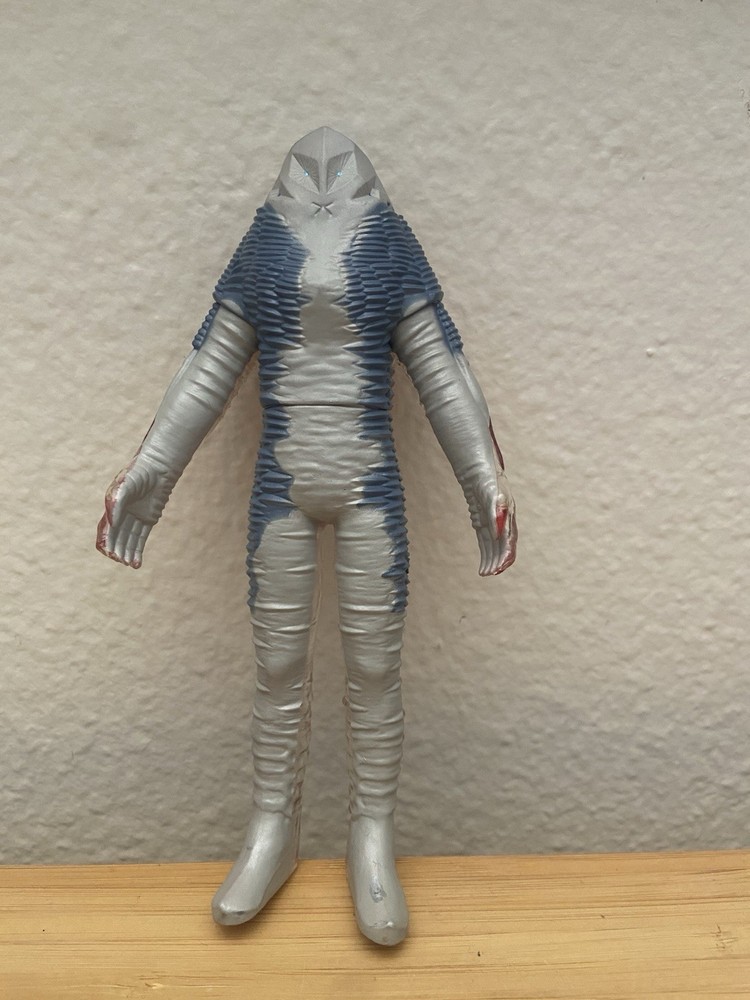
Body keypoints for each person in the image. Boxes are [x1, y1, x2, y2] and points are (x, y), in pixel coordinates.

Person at [97, 126, 517, 946]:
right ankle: (273, 827)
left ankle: (372, 837)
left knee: (375, 668)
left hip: (370, 490)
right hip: (281, 491)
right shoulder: (263, 246)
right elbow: (208, 370)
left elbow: (443, 373)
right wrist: (150, 471)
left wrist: (485, 486)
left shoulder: (389, 244)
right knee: (278, 665)